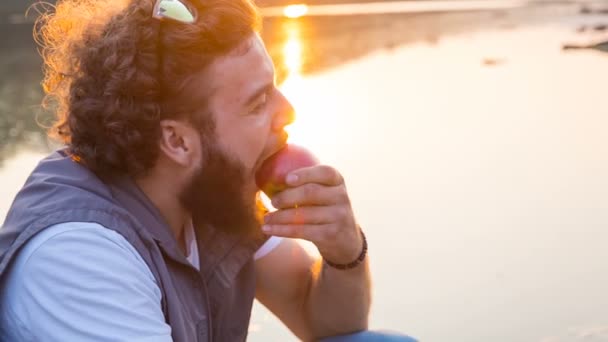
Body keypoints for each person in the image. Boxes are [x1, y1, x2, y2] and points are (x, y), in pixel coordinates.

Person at [0, 0, 416, 341]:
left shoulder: (206, 192)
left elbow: (326, 324)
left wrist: (345, 252)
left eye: (275, 87)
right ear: (177, 141)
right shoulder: (77, 256)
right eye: (257, 103)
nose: (288, 111)